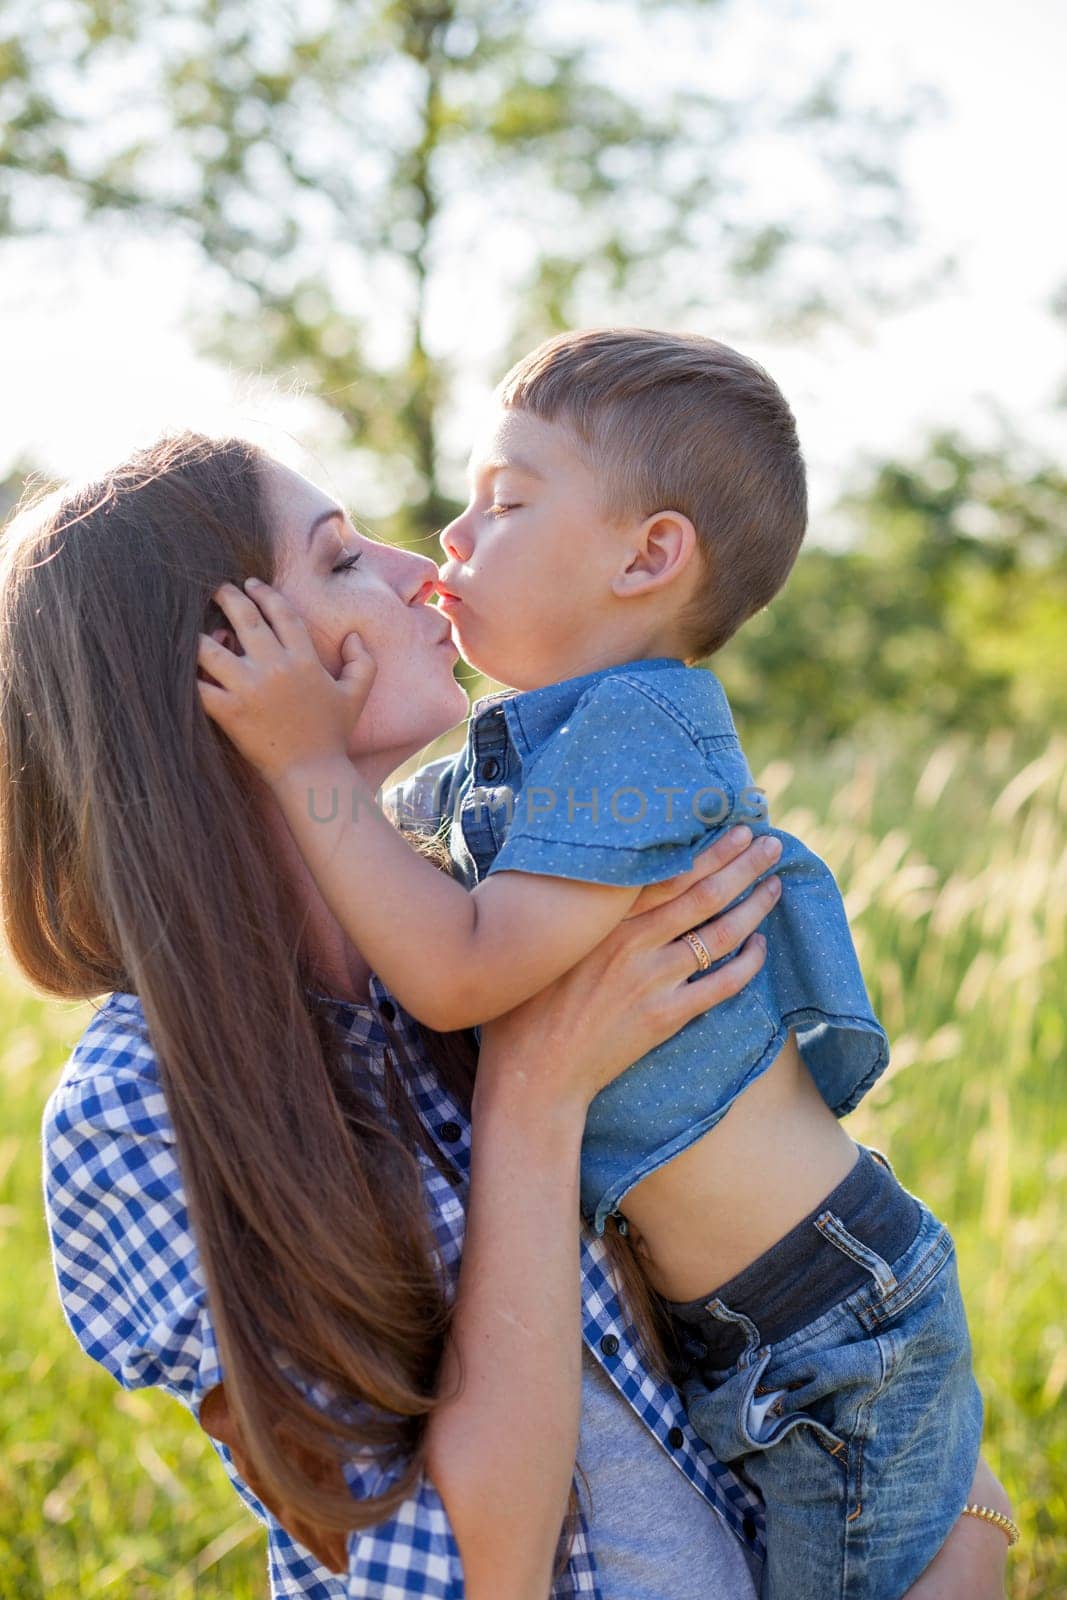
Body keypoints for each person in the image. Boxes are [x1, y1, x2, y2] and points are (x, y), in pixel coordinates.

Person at [2, 433, 1009, 1600]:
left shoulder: (485, 894)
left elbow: (767, 1277)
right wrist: (533, 1089)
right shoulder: (141, 1111)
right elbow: (489, 1567)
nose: (415, 566)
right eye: (337, 561)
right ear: (227, 678)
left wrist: (961, 1513)